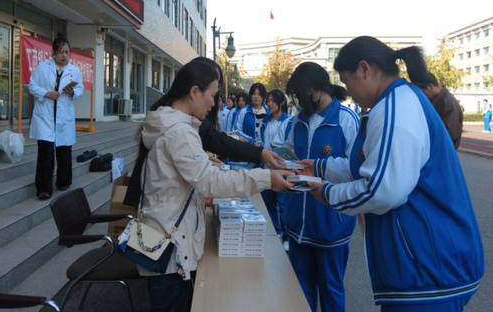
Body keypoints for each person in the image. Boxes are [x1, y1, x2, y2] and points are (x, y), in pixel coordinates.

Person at [305, 36, 483, 312]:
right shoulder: (395, 102)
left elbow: (383, 189)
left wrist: (327, 194)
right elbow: (368, 166)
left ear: (364, 69)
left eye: (346, 80)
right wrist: (318, 167)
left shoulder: (395, 106)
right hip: (426, 269)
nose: (348, 91)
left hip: (428, 271)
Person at [135, 58, 293, 311]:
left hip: (162, 235)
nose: (214, 103)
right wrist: (266, 178)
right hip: (170, 245)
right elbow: (211, 182)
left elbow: (175, 181)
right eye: (212, 95)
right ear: (194, 92)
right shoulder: (179, 132)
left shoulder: (171, 123)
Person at [277, 62, 359, 312]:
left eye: (302, 95)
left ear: (317, 89)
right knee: (300, 292)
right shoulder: (297, 121)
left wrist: (319, 167)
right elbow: (288, 151)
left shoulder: (346, 119)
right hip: (298, 224)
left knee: (331, 291)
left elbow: (356, 169)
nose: (300, 102)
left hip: (330, 224)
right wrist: (283, 163)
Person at [28, 34, 84, 200]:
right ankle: (43, 188)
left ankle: (64, 182)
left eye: (67, 52)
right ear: (54, 52)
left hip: (63, 117)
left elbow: (80, 89)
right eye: (61, 52)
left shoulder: (74, 70)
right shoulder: (42, 68)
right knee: (45, 153)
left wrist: (73, 92)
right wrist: (46, 93)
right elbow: (32, 85)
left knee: (64, 150)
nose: (64, 55)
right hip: (45, 115)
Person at [259, 89, 291, 241]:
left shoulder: (288, 122)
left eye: (273, 101)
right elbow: (259, 139)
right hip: (266, 167)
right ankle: (275, 232)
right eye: (268, 101)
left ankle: (286, 237)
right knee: (268, 202)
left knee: (283, 204)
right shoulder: (265, 121)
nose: (270, 104)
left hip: (282, 168)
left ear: (281, 103)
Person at [413, 73, 463, 149]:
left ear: (430, 86)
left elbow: (451, 134)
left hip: (441, 150)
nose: (423, 96)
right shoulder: (438, 100)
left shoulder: (447, 103)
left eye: (423, 93)